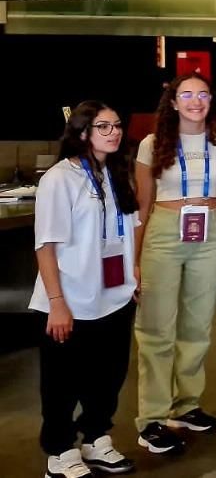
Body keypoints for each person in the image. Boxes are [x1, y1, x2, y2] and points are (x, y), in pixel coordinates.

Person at [35, 101, 140, 477]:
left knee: (109, 375)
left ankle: (96, 437)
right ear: (82, 133)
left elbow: (132, 227)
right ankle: (60, 451)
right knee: (63, 382)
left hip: (115, 295)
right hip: (72, 299)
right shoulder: (60, 179)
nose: (114, 132)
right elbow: (45, 245)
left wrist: (135, 272)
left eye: (116, 125)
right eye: (103, 126)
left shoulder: (118, 172)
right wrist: (57, 303)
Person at [132, 76, 216, 454]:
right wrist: (135, 259)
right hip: (164, 232)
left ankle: (186, 405)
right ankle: (152, 419)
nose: (195, 101)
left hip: (210, 233)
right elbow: (142, 205)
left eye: (203, 94)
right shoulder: (152, 143)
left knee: (198, 324)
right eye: (186, 94)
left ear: (211, 100)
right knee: (157, 327)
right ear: (172, 102)